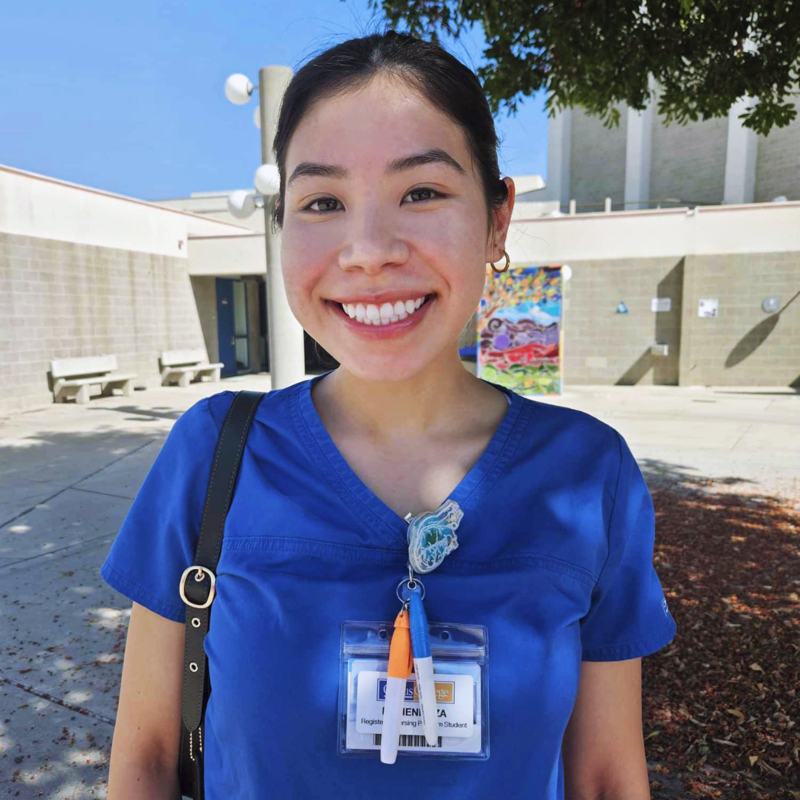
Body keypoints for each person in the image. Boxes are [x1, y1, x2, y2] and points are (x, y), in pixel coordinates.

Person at [100, 27, 677, 800]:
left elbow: (605, 778)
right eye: (323, 202)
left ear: (497, 220)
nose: (368, 250)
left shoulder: (588, 475)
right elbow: (145, 758)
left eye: (422, 192)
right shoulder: (213, 453)